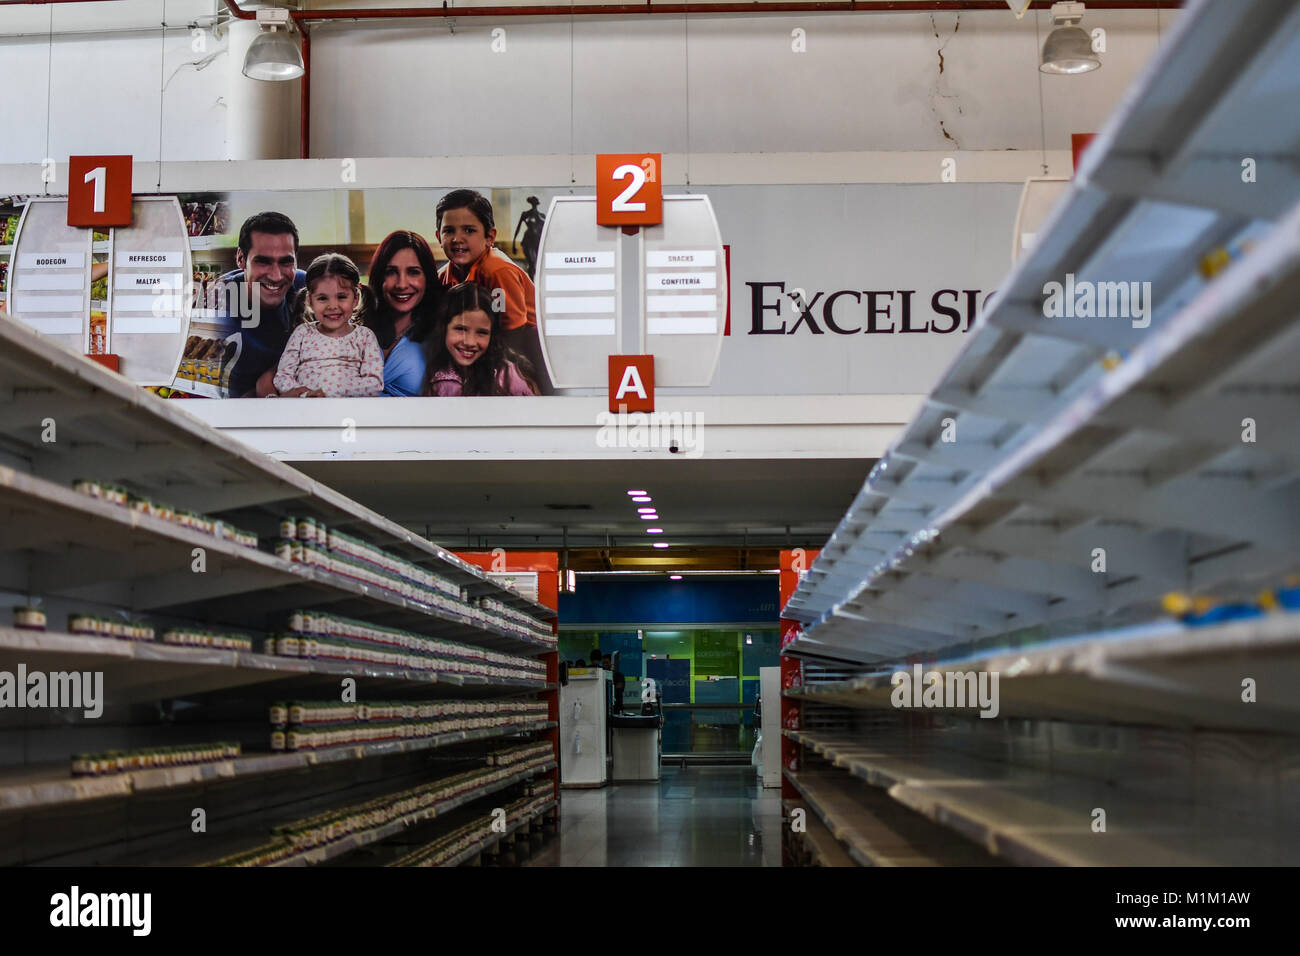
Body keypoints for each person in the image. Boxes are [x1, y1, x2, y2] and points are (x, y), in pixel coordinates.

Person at [435, 189, 553, 393]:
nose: (457, 239)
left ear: (490, 237)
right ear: (438, 236)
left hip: (528, 347)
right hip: (480, 346)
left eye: (469, 230)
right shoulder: (443, 275)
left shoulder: (497, 270)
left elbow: (513, 334)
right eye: (449, 231)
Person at [218, 211, 307, 398]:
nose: (276, 276)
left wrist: (272, 373)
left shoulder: (306, 287)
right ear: (241, 259)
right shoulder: (216, 307)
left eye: (285, 262)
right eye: (263, 262)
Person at [272, 253, 384, 398]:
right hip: (305, 409)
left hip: (350, 412)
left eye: (341, 297)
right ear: (310, 301)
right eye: (322, 298)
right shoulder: (302, 333)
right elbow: (282, 377)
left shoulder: (364, 336)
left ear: (355, 298)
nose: (332, 306)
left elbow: (375, 384)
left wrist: (329, 391)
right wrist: (306, 394)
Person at [422, 282, 538, 396]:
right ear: (443, 328)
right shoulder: (434, 373)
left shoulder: (507, 377)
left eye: (482, 332)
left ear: (492, 335)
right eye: (461, 329)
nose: (470, 342)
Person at [366, 230, 445, 396]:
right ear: (379, 277)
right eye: (391, 272)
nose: (401, 284)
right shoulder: (357, 326)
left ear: (427, 278)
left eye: (413, 272)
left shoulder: (441, 334)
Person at [512, 195, 545, 279]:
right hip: (528, 240)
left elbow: (545, 229)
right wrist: (514, 243)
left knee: (537, 263)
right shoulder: (525, 214)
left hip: (537, 240)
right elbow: (518, 228)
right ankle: (532, 282)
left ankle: (535, 282)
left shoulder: (541, 216)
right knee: (531, 262)